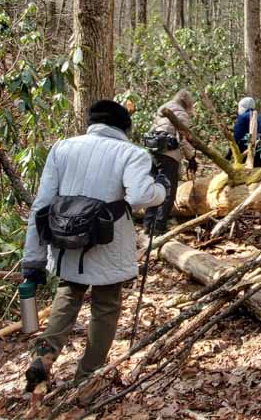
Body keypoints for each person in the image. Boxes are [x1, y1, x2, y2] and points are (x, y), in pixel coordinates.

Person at [21, 100, 168, 391]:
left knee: (68, 294)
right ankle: (87, 378)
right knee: (106, 306)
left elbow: (42, 204)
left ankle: (43, 357)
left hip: (66, 241)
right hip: (108, 244)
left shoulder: (62, 148)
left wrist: (33, 258)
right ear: (124, 126)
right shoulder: (131, 153)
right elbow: (140, 196)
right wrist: (161, 188)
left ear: (92, 122)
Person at [143, 89, 197, 235]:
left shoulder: (162, 111)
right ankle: (159, 228)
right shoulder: (181, 114)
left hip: (153, 153)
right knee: (168, 192)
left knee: (154, 189)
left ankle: (148, 225)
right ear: (187, 103)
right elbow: (183, 138)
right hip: (168, 155)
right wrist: (191, 158)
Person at [231, 97, 261, 167]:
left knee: (245, 169)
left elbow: (236, 137)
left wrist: (229, 154)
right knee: (257, 169)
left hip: (246, 150)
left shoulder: (242, 117)